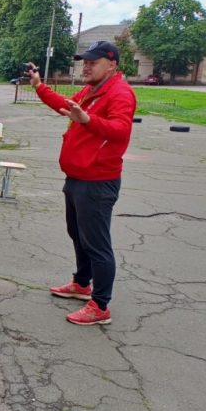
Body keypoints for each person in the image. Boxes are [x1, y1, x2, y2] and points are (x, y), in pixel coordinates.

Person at [28, 40, 136, 326]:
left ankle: (100, 305)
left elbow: (121, 130)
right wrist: (40, 86)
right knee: (77, 234)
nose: (86, 66)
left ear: (112, 64)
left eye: (93, 62)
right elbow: (67, 106)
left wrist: (87, 120)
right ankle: (81, 283)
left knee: (97, 244)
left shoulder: (120, 93)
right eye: (84, 62)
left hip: (98, 181)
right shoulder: (92, 90)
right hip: (77, 178)